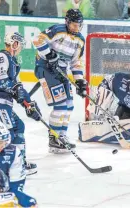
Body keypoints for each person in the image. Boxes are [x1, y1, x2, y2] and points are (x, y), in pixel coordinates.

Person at [0, 32, 41, 175]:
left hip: (0, 101)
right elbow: (0, 80)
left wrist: (29, 104)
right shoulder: (2, 56)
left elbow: (18, 87)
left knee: (19, 126)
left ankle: (18, 162)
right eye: (20, 45)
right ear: (15, 43)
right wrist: (15, 90)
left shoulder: (13, 62)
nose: (20, 48)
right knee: (6, 133)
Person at [32, 9, 87, 153]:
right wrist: (49, 54)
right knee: (61, 105)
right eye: (74, 24)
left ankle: (61, 136)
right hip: (45, 68)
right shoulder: (57, 30)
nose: (77, 28)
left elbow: (76, 63)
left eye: (79, 25)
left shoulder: (80, 40)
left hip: (61, 71)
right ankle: (53, 138)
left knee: (69, 105)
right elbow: (37, 40)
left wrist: (80, 81)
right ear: (67, 22)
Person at [79, 64, 130, 144]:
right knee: (105, 94)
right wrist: (102, 94)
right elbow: (107, 81)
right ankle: (95, 119)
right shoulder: (121, 79)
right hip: (124, 109)